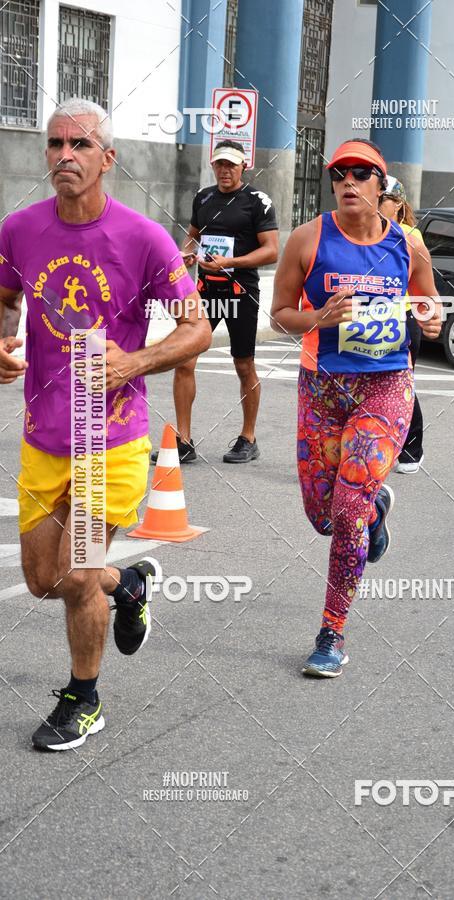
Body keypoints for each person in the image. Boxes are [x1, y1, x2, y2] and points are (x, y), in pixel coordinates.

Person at [0, 98, 212, 750]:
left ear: (107, 158)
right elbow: (6, 298)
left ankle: (84, 699)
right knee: (44, 580)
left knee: (78, 575)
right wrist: (3, 342)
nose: (66, 155)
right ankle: (133, 584)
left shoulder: (143, 240)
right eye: (57, 144)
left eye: (81, 145)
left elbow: (197, 325)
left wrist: (135, 362)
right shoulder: (19, 230)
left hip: (108, 439)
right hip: (44, 436)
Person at [271, 139, 441, 677]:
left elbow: (427, 301)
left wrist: (431, 320)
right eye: (339, 174)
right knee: (324, 516)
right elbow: (278, 315)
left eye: (361, 174)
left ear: (380, 185)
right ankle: (376, 510)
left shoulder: (407, 245)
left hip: (385, 386)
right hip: (321, 388)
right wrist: (318, 318)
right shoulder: (308, 238)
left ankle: (331, 632)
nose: (348, 182)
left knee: (346, 513)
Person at [155, 139, 279, 465]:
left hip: (240, 293)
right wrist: (184, 254)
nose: (225, 171)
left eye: (231, 165)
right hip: (205, 291)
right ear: (213, 166)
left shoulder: (258, 202)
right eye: (220, 164)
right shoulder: (204, 197)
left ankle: (248, 438)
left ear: (243, 166)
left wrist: (230, 263)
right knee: (185, 360)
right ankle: (184, 440)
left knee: (243, 365)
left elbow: (272, 250)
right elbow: (193, 236)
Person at [379, 177, 426, 474]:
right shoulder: (359, 233)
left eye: (381, 198)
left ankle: (412, 448)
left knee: (400, 384)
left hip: (402, 319)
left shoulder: (408, 235)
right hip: (365, 317)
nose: (373, 202)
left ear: (397, 205)